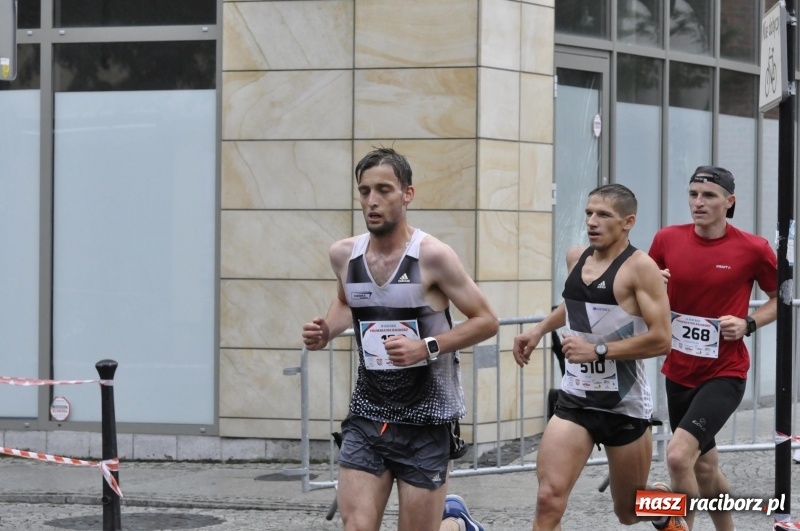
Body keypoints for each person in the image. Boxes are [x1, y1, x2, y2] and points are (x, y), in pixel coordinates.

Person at [302, 147, 498, 531]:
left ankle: (454, 524)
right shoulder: (344, 255)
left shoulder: (433, 256)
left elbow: (487, 320)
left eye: (384, 190)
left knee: (629, 508)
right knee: (356, 527)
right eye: (364, 191)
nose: (372, 201)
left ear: (408, 193)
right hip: (368, 416)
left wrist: (426, 347)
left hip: (426, 421)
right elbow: (347, 302)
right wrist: (327, 329)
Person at [513, 183, 681, 531]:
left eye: (604, 215)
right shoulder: (577, 257)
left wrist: (598, 350)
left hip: (623, 404)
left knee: (629, 512)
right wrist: (539, 330)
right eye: (589, 212)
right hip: (576, 398)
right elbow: (577, 309)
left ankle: (665, 503)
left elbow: (662, 339)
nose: (592, 220)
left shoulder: (641, 268)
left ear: (627, 222)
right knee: (549, 499)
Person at [648, 166, 778, 530]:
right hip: (678, 370)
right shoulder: (666, 239)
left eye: (708, 195)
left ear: (729, 201)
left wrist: (749, 323)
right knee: (704, 468)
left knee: (677, 458)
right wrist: (651, 283)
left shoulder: (753, 248)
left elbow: (779, 298)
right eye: (693, 194)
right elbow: (637, 289)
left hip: (725, 372)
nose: (698, 202)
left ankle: (678, 526)